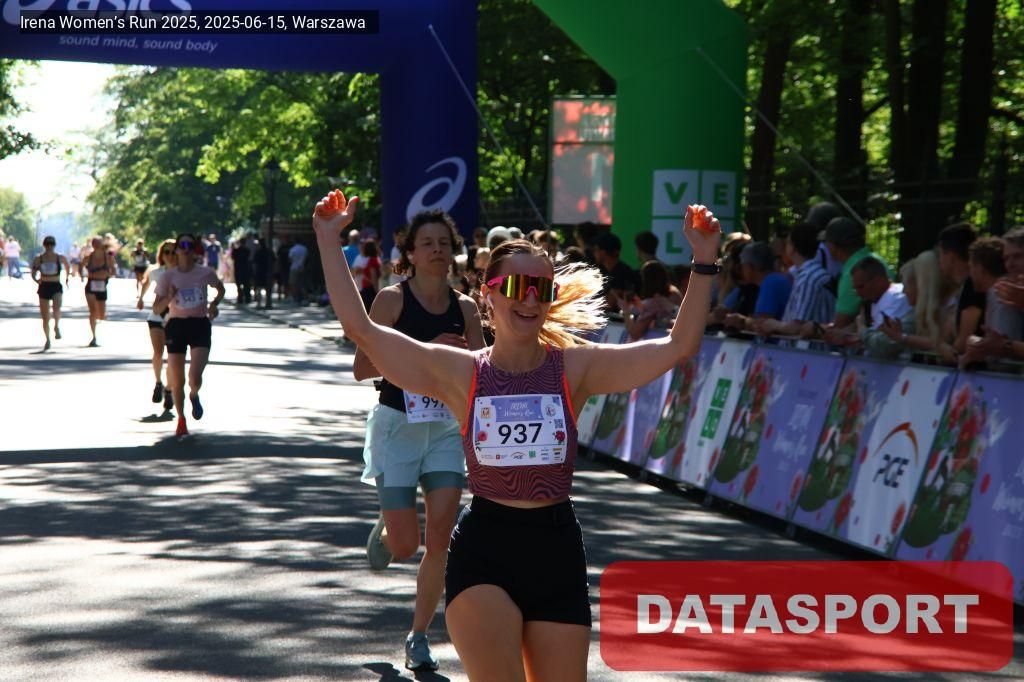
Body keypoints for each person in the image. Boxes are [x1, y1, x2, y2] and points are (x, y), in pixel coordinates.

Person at [312, 188, 720, 680]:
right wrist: (328, 238)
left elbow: (679, 347)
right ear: (489, 293)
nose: (528, 299)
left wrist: (704, 260)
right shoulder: (462, 372)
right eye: (517, 286)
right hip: (486, 548)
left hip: (556, 549)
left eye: (541, 289)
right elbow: (362, 330)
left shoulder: (576, 370)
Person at [354, 209, 486, 671]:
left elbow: (481, 369)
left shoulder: (465, 308)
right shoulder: (391, 301)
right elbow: (362, 368)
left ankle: (418, 635)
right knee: (407, 545)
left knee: (442, 535)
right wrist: (428, 354)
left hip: (446, 428)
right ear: (410, 253)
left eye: (444, 243)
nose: (437, 250)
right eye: (427, 243)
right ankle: (389, 531)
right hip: (398, 427)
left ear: (454, 252)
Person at [153, 233, 226, 438]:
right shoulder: (168, 277)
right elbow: (157, 309)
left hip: (199, 324)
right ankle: (181, 419)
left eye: (190, 245)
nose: (186, 248)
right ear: (177, 249)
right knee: (177, 380)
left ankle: (194, 394)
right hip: (176, 325)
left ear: (195, 250)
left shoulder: (205, 273)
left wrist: (214, 304)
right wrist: (169, 297)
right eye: (182, 244)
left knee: (194, 377)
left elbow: (220, 289)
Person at [754, 222, 836, 337]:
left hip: (807, 347)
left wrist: (774, 325)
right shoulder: (812, 274)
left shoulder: (808, 279)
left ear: (793, 248)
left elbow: (797, 326)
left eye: (787, 243)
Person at [826, 256, 914, 359]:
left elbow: (882, 344)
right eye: (855, 288)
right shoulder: (874, 300)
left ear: (878, 281)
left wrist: (860, 329)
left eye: (861, 287)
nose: (857, 293)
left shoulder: (898, 297)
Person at [824, 217, 891, 328]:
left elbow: (841, 323)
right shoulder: (877, 260)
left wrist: (816, 327)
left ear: (833, 246)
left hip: (879, 334)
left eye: (826, 242)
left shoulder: (852, 273)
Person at [137, 239, 177, 411]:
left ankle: (169, 389)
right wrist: (140, 298)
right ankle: (158, 383)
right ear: (162, 255)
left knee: (173, 357)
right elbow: (146, 283)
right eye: (166, 252)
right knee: (159, 353)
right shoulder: (156, 272)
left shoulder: (184, 273)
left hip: (176, 318)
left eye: (173, 252)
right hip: (157, 317)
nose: (170, 255)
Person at [723, 241, 793, 332]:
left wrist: (742, 321)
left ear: (751, 267)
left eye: (742, 266)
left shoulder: (771, 282)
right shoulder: (775, 279)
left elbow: (763, 324)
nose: (741, 270)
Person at [31, 236, 70, 351]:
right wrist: (36, 280)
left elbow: (67, 266)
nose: (49, 246)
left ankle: (56, 326)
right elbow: (33, 272)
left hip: (56, 285)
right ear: (44, 245)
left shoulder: (59, 257)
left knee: (56, 309)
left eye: (51, 244)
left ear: (54, 245)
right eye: (47, 244)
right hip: (44, 286)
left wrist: (67, 278)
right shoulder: (39, 258)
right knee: (45, 316)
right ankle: (47, 339)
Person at [621, 260, 677, 340]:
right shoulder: (675, 293)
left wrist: (626, 310)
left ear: (646, 281)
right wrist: (640, 306)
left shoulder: (654, 303)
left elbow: (635, 333)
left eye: (642, 278)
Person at [84, 236, 117, 347]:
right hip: (90, 285)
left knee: (101, 315)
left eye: (98, 243)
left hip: (102, 286)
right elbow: (81, 265)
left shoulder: (108, 257)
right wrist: (83, 275)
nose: (96, 245)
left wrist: (107, 274)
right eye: (94, 243)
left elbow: (113, 270)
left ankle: (97, 319)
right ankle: (93, 337)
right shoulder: (89, 257)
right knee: (92, 311)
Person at [593, 231, 640, 309]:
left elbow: (608, 304)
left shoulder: (620, 273)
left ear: (603, 252)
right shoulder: (611, 270)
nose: (594, 253)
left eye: (595, 249)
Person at [352, 238, 383, 311]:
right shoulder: (373, 260)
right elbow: (373, 277)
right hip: (370, 290)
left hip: (367, 289)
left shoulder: (372, 259)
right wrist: (377, 292)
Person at [252, 237, 274, 308]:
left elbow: (254, 263)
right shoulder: (269, 251)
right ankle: (268, 302)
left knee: (259, 287)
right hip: (267, 272)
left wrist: (254, 272)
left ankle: (259, 303)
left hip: (260, 272)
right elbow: (274, 261)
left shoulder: (258, 252)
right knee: (268, 288)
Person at [231, 238, 252, 305]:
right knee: (246, 285)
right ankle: (246, 298)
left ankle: (241, 298)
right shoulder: (246, 251)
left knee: (241, 285)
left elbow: (233, 257)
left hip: (240, 269)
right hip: (244, 269)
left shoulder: (237, 251)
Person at [289, 238, 309, 304]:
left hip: (294, 268)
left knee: (293, 284)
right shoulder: (304, 249)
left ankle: (296, 298)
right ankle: (305, 298)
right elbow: (307, 258)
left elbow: (290, 259)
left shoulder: (293, 249)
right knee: (303, 284)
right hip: (302, 267)